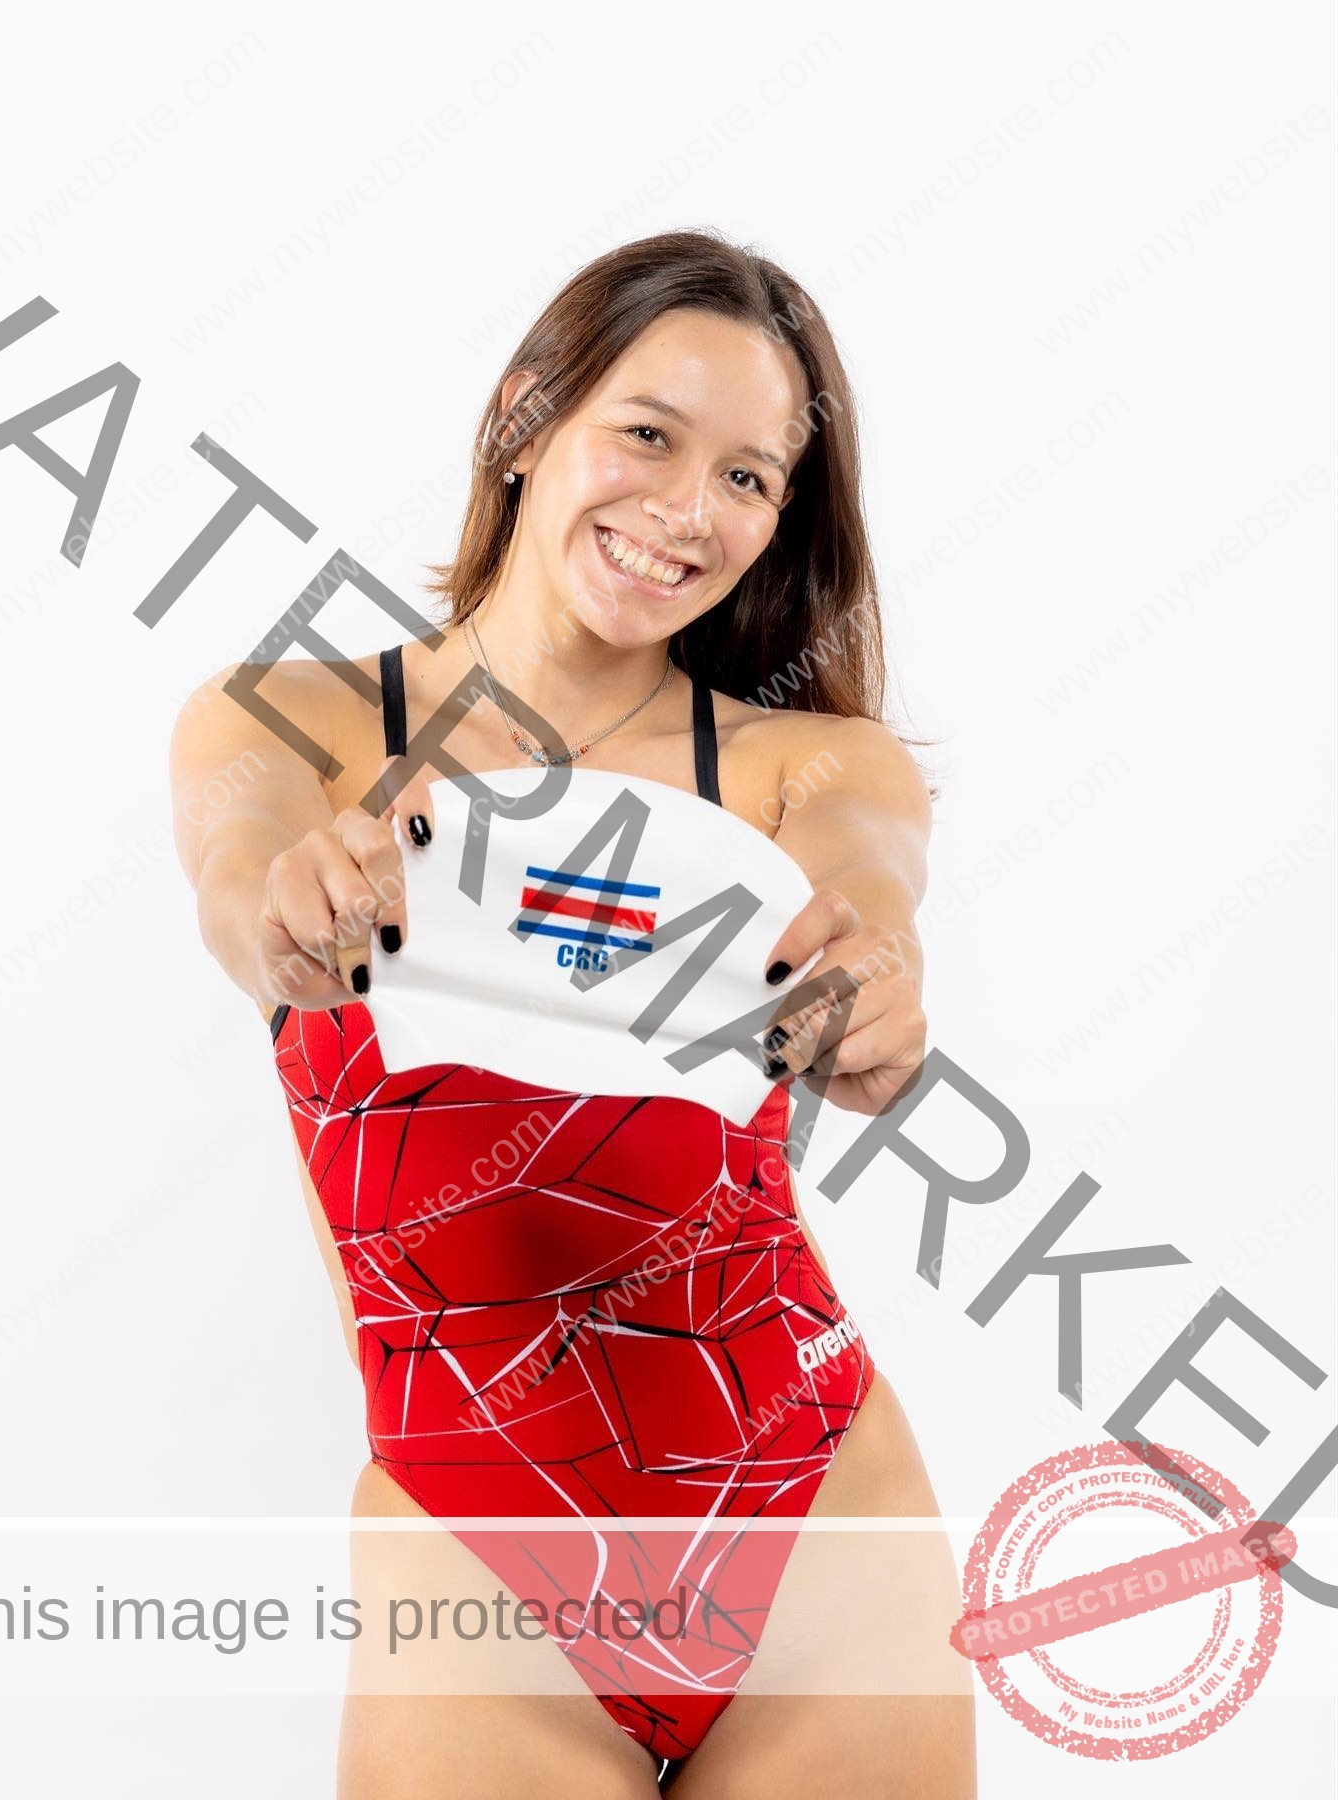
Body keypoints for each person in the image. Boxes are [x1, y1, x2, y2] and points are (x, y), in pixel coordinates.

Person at [172, 228, 976, 1798]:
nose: (689, 511)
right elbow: (237, 869)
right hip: (475, 1535)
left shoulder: (798, 764)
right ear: (528, 416)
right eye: (649, 436)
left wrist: (873, 969)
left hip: (809, 1504)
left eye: (751, 480)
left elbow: (870, 878)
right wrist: (282, 896)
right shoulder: (301, 719)